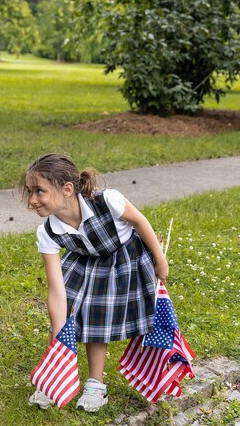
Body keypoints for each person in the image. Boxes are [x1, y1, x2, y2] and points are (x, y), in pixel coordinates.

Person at [22, 153, 167, 412]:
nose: (32, 200)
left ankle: (96, 384)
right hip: (83, 261)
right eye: (30, 191)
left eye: (39, 191)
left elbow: (140, 222)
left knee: (95, 315)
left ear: (67, 189)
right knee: (64, 315)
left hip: (123, 260)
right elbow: (56, 291)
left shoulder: (108, 200)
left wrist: (159, 259)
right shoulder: (48, 232)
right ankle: (54, 377)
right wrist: (59, 338)